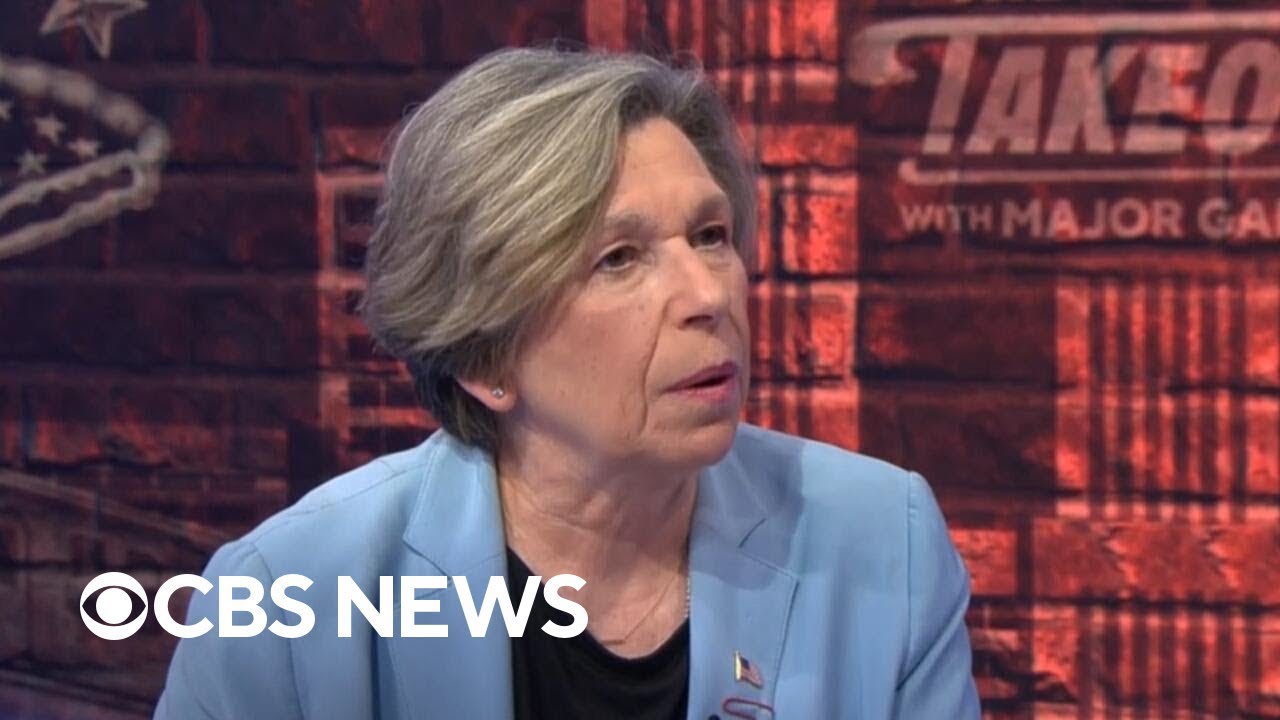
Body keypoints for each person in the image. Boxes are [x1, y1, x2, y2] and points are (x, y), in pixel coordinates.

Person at [153, 45, 980, 719]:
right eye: (618, 259)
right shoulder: (290, 598)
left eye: (710, 235)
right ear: (485, 356)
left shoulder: (884, 542)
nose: (707, 295)